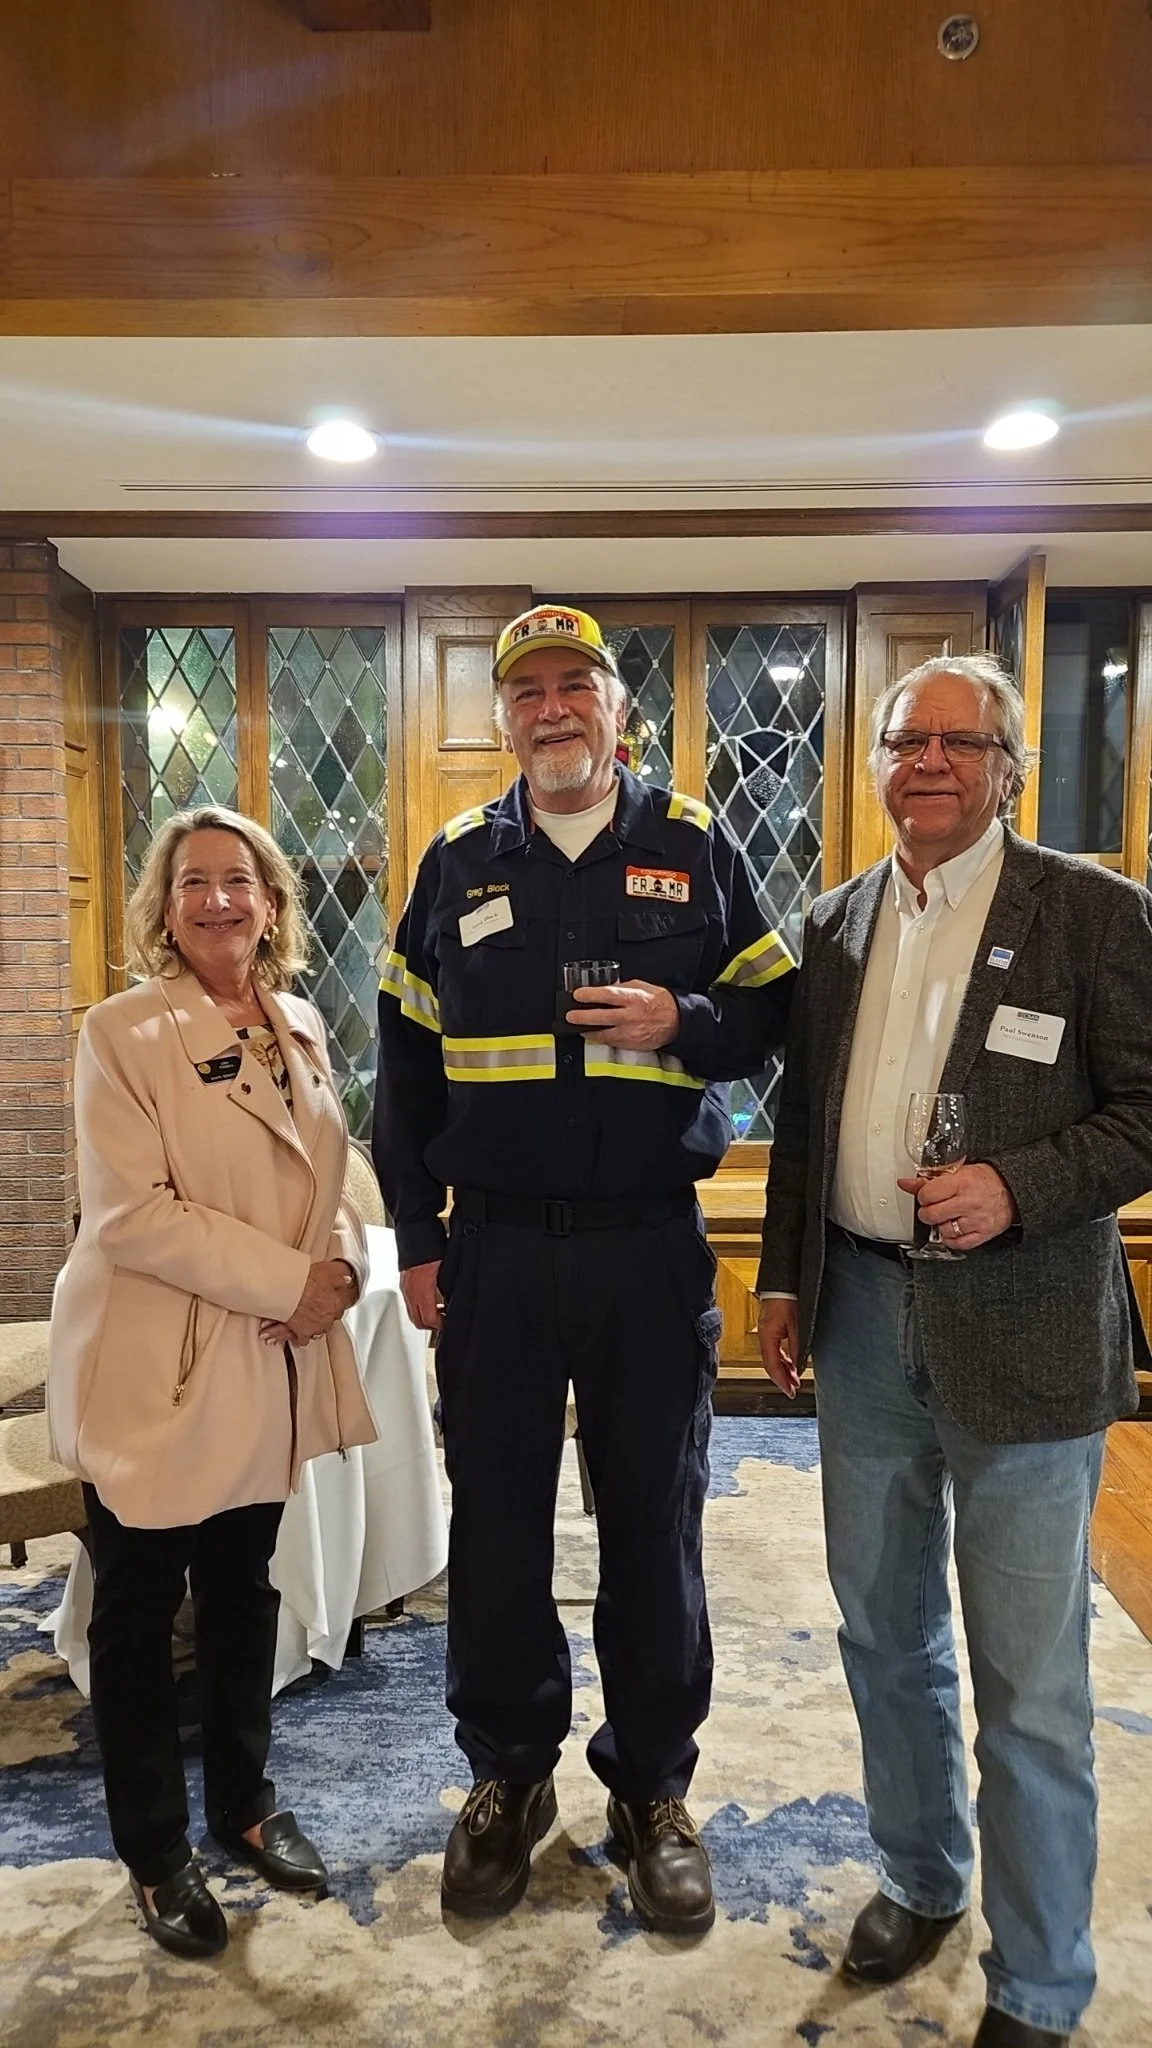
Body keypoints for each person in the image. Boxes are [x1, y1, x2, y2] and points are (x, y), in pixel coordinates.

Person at [374, 603, 795, 1933]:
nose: (553, 708)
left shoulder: (691, 843)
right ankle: (508, 1777)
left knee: (654, 1535)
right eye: (528, 692)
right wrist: (419, 1242)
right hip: (492, 1254)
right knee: (495, 1528)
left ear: (623, 712)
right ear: (502, 720)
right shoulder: (452, 862)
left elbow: (775, 1011)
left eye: (578, 687)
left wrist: (692, 1017)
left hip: (646, 1252)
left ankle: (653, 1786)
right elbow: (401, 1075)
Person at [757, 654, 1152, 2048]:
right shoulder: (839, 921)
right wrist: (787, 1285)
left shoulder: (1095, 915)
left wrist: (1022, 1185)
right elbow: (808, 1123)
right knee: (880, 1626)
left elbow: (1147, 1110)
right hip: (864, 1314)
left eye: (957, 740)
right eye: (902, 740)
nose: (926, 760)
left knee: (1031, 1681)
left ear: (1008, 767)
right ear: (875, 765)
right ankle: (922, 1877)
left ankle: (1040, 1986)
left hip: (1030, 1328)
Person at [47, 805, 377, 1960]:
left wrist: (343, 1257)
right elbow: (133, 1215)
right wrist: (295, 1279)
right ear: (163, 906)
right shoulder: (119, 1031)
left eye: (240, 879)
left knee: (244, 1584)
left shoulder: (297, 1021)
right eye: (194, 882)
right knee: (139, 1611)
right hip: (156, 1361)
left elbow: (325, 1170)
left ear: (273, 901)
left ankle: (242, 1799)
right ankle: (155, 1847)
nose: (219, 900)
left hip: (263, 1358)